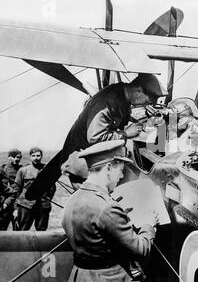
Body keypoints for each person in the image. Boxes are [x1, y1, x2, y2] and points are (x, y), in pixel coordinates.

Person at [25, 73, 167, 201]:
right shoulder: (107, 101)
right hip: (82, 163)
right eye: (147, 101)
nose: (146, 105)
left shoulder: (121, 96)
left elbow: (117, 117)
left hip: (97, 160)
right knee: (95, 206)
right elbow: (95, 137)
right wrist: (126, 134)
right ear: (138, 92)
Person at [62, 140, 158, 282]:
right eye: (120, 170)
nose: (120, 176)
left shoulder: (71, 200)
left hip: (79, 279)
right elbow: (140, 250)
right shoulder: (107, 207)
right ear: (108, 168)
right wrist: (148, 225)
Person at [13, 147, 56, 231]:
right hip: (25, 205)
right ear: (30, 157)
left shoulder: (47, 169)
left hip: (42, 206)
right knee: (22, 230)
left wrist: (47, 199)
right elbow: (16, 190)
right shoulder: (23, 170)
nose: (36, 158)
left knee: (41, 230)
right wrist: (15, 208)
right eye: (33, 155)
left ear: (41, 156)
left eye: (38, 155)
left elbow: (52, 188)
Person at [0, 149, 22, 230]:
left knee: (17, 229)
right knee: (3, 227)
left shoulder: (22, 169)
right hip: (7, 204)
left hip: (18, 203)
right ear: (9, 157)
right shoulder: (3, 169)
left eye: (19, 157)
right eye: (15, 157)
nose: (17, 159)